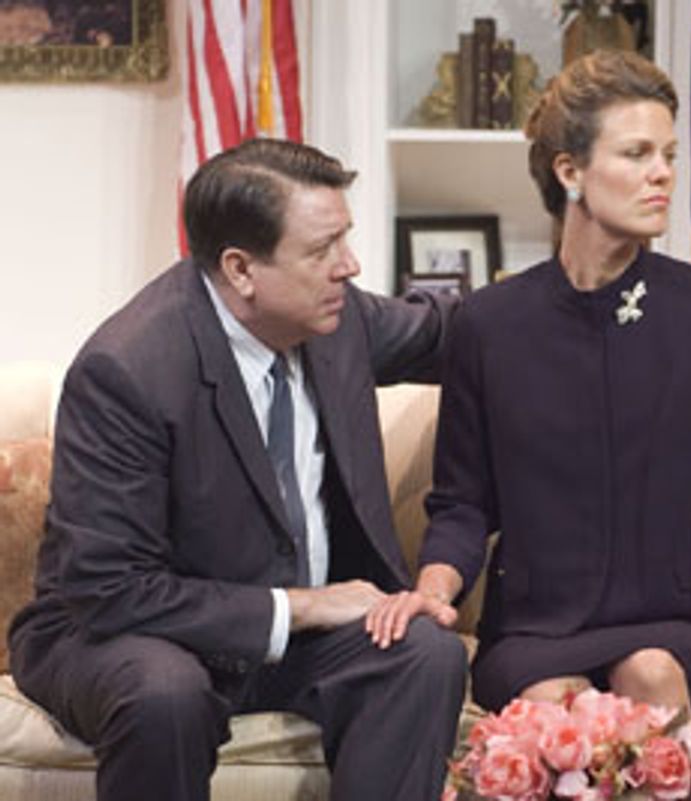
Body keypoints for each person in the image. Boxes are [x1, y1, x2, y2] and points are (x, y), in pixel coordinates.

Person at [367, 49, 691, 721]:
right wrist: (433, 591)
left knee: (648, 671)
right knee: (554, 702)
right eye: (637, 153)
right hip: (534, 630)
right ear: (570, 171)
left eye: (669, 153)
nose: (663, 173)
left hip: (679, 622)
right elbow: (462, 502)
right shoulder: (490, 323)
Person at [7, 138, 467, 801]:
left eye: (346, 239)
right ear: (241, 269)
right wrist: (304, 605)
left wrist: (592, 283)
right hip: (131, 632)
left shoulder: (340, 317)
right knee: (165, 692)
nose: (351, 265)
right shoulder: (129, 369)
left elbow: (462, 334)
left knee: (424, 656)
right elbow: (108, 588)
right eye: (322, 250)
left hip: (295, 634)